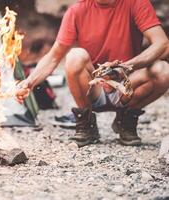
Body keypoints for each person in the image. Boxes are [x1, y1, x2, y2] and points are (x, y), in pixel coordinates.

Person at [15, 0, 169, 147]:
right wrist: (30, 81)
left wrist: (126, 66)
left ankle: (126, 119)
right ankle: (87, 124)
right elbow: (55, 56)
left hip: (128, 86)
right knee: (75, 55)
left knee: (163, 70)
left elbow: (162, 44)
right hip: (94, 87)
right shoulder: (77, 11)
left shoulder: (136, 3)